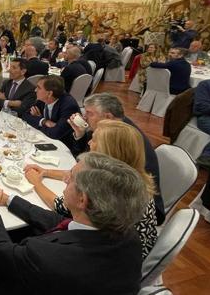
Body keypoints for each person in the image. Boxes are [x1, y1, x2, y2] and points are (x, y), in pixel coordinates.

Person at [0, 152, 148, 294]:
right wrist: (9, 200)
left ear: (82, 200)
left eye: (70, 178)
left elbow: (2, 253)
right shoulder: (129, 238)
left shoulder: (48, 256)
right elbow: (62, 222)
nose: (64, 179)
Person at [25, 120, 157, 258]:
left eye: (94, 140)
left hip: (108, 258)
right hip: (122, 250)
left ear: (108, 150)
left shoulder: (115, 188)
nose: (89, 143)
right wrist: (45, 171)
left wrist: (36, 183)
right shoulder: (132, 177)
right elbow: (76, 173)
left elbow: (61, 206)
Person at [66, 93, 164, 223]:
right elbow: (83, 160)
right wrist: (80, 134)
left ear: (107, 116)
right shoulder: (109, 130)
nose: (84, 117)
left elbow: (90, 170)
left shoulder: (120, 139)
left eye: (89, 113)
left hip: (132, 209)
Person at [22, 75, 80, 144]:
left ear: (49, 93)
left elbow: (55, 134)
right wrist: (44, 121)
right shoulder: (43, 99)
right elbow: (25, 115)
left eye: (39, 88)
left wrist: (37, 121)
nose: (35, 90)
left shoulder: (69, 106)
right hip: (45, 138)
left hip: (63, 145)